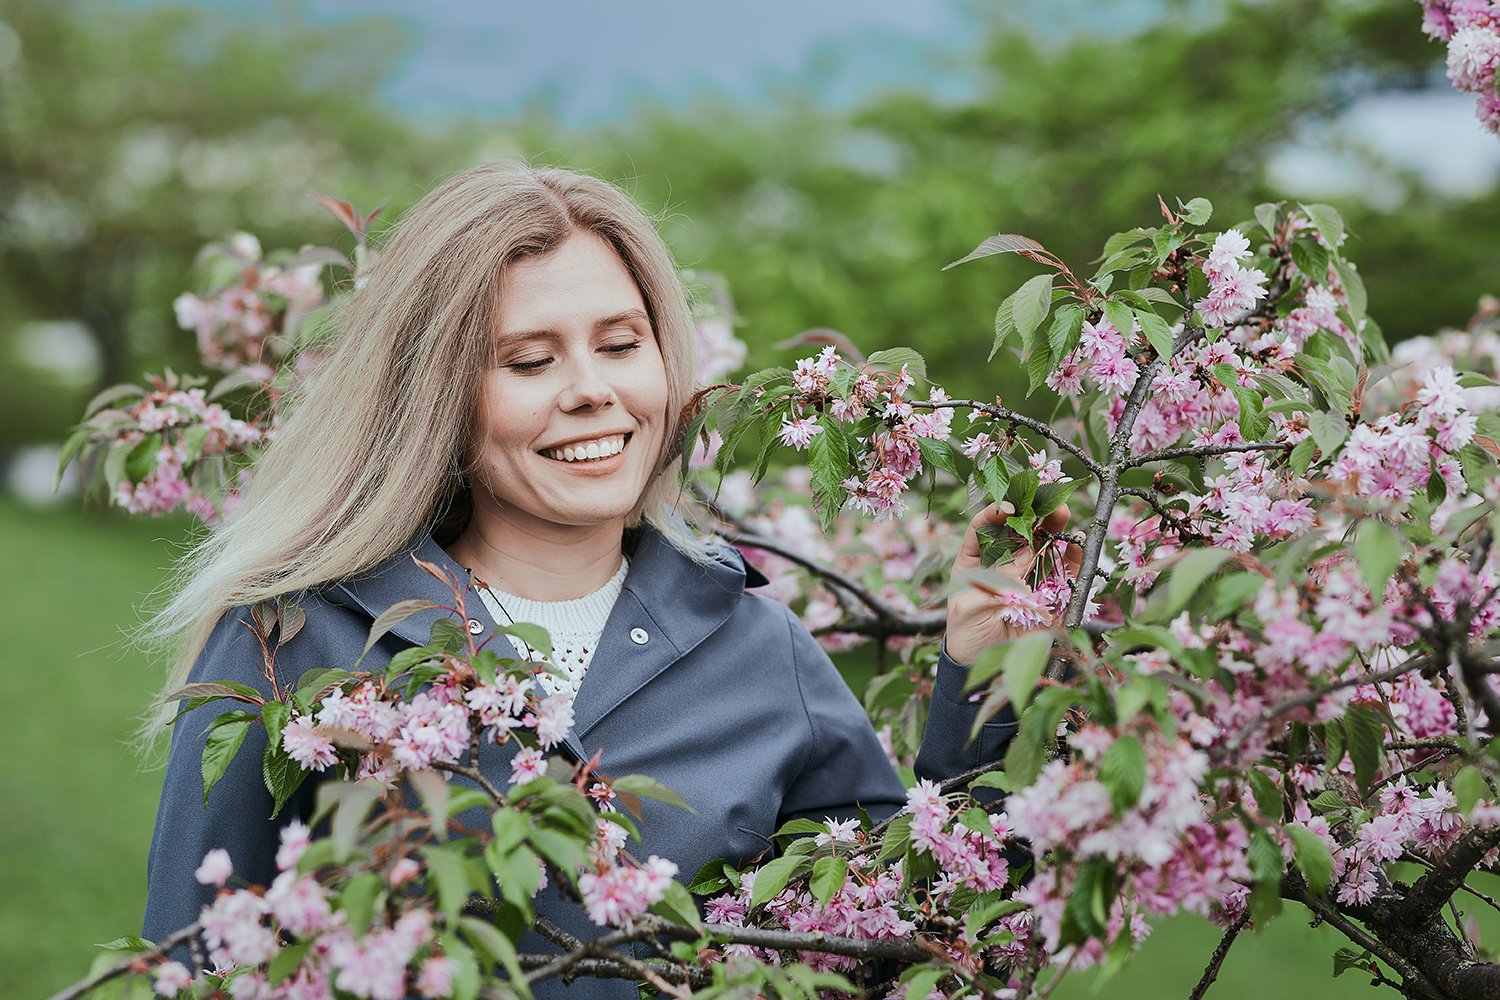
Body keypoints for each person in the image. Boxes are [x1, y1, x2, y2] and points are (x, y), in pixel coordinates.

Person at [141, 162, 1066, 997]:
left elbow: (928, 953)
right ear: (436, 396)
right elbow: (195, 964)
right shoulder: (296, 638)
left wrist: (988, 678)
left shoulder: (761, 651)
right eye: (530, 361)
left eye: (621, 344)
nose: (591, 389)